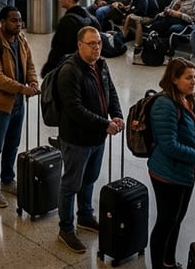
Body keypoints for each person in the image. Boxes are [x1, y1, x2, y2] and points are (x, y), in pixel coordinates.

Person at [54, 26, 124, 254]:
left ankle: (85, 215)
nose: (96, 48)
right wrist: (105, 124)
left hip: (97, 136)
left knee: (90, 178)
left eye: (99, 43)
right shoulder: (69, 71)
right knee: (71, 183)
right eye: (91, 44)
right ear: (79, 45)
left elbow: (110, 92)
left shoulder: (101, 65)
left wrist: (117, 114)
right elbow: (74, 109)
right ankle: (65, 228)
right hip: (76, 138)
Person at [148, 57, 195, 269]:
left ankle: (169, 262)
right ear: (174, 79)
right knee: (165, 222)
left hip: (184, 173)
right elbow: (169, 145)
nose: (193, 82)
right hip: (166, 175)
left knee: (176, 220)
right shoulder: (164, 104)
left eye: (194, 77)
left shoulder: (190, 98)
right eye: (188, 78)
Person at [0, 6, 40, 209]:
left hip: (17, 104)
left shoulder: (22, 40)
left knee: (13, 144)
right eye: (14, 20)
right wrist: (22, 88)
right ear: (3, 21)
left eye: (20, 20)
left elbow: (30, 65)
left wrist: (33, 82)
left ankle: (7, 178)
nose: (18, 24)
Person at [41, 0, 100, 77]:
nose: (59, 0)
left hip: (69, 67)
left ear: (70, 0)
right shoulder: (90, 17)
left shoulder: (67, 22)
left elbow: (58, 48)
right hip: (88, 65)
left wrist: (48, 69)